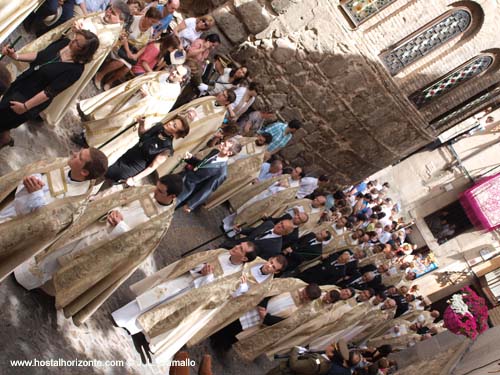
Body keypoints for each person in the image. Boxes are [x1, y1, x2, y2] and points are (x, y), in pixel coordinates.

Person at [14, 174, 182, 324]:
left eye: (160, 191)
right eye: (156, 187)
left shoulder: (161, 223)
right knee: (61, 249)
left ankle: (46, 288)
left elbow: (138, 248)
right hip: (95, 226)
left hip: (106, 246)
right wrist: (112, 210)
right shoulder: (148, 190)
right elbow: (119, 199)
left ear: (172, 196)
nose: (154, 192)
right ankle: (31, 277)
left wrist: (120, 226)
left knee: (70, 266)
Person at [133, 255, 287, 363]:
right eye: (271, 261)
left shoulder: (263, 288)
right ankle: (146, 327)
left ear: (276, 272)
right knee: (176, 306)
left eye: (273, 267)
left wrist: (242, 288)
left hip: (219, 303)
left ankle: (156, 342)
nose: (269, 265)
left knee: (187, 320)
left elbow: (243, 303)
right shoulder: (253, 261)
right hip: (207, 284)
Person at [8, 1, 129, 126]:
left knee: (52, 85)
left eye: (113, 13)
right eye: (109, 9)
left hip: (74, 62)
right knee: (42, 65)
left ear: (120, 21)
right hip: (65, 47)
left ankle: (33, 108)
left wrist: (79, 32)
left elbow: (92, 51)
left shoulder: (110, 36)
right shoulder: (103, 16)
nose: (108, 12)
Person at [0, 148, 108, 281]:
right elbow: (37, 168)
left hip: (15, 231)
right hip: (9, 208)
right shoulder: (62, 163)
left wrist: (35, 193)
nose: (74, 153)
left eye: (79, 156)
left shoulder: (76, 204)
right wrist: (34, 178)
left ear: (84, 172)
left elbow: (47, 226)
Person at [112, 241, 257, 335]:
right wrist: (201, 271)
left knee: (163, 309)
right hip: (185, 280)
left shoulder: (237, 278)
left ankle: (133, 326)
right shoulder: (220, 252)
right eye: (239, 244)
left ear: (244, 258)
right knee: (154, 296)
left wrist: (208, 277)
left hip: (192, 294)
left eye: (240, 249)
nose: (236, 246)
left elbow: (216, 296)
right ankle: (122, 317)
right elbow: (195, 261)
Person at [0, 30, 99, 148]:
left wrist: (25, 107)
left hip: (29, 99)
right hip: (23, 82)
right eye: (75, 38)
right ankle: (5, 137)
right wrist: (16, 56)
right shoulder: (64, 43)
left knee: (4, 119)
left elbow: (49, 92)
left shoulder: (75, 70)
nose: (72, 41)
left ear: (84, 51)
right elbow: (40, 55)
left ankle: (4, 139)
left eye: (77, 43)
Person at [77, 64, 189, 164]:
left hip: (138, 113)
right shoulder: (164, 74)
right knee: (109, 119)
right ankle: (86, 136)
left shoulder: (173, 93)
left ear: (182, 79)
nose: (173, 72)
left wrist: (147, 97)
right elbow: (146, 77)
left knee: (115, 126)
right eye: (175, 69)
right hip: (132, 99)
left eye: (177, 73)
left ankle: (94, 147)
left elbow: (160, 109)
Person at [213, 282, 321, 353]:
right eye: (303, 293)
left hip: (263, 320)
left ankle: (222, 342)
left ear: (309, 300)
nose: (301, 297)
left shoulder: (304, 309)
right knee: (235, 320)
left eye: (305, 298)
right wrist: (262, 305)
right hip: (257, 307)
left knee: (240, 330)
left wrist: (266, 318)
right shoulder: (293, 284)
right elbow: (272, 289)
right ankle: (216, 333)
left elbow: (287, 321)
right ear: (305, 287)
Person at [155, 89, 237, 177]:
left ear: (227, 102)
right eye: (222, 92)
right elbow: (193, 104)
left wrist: (195, 119)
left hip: (191, 133)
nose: (220, 94)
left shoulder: (220, 116)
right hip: (183, 120)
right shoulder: (210, 98)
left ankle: (156, 165)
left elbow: (206, 131)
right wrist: (191, 110)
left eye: (224, 96)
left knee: (172, 147)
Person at [105, 113, 190, 184]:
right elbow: (143, 135)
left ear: (176, 134)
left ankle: (94, 197)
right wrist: (142, 124)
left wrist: (134, 179)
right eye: (173, 121)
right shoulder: (159, 126)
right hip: (128, 155)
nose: (170, 123)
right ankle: (93, 194)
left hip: (133, 167)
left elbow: (152, 167)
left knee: (109, 177)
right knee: (106, 173)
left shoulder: (167, 149)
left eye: (174, 126)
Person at [96, 6, 162, 90]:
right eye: (152, 21)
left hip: (132, 51)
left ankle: (109, 81)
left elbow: (145, 45)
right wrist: (128, 51)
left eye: (154, 23)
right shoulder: (134, 20)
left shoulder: (150, 30)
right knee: (120, 62)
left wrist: (136, 55)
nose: (152, 24)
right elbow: (124, 35)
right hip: (120, 45)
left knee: (127, 68)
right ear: (146, 17)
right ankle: (100, 75)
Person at [203, 133, 273, 210]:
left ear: (265, 143)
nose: (258, 140)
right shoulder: (248, 140)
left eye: (261, 140)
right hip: (227, 157)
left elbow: (254, 169)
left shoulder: (259, 155)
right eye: (259, 137)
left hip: (235, 169)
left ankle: (203, 196)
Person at [176, 138, 242, 212]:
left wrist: (191, 204)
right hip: (181, 177)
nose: (222, 143)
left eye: (225, 145)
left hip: (187, 190)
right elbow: (202, 165)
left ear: (229, 153)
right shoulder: (214, 151)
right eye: (224, 142)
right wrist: (190, 158)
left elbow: (208, 189)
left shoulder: (222, 172)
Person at [222, 218, 295, 260]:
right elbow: (254, 231)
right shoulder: (269, 224)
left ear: (285, 233)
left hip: (240, 258)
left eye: (282, 227)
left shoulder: (275, 248)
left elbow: (258, 259)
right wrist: (241, 230)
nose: (279, 225)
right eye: (281, 223)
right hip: (234, 244)